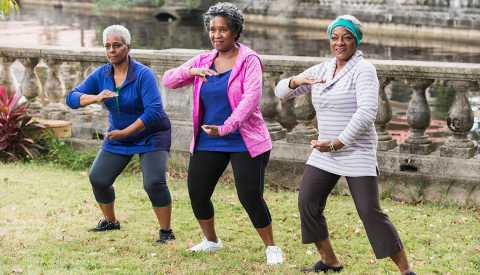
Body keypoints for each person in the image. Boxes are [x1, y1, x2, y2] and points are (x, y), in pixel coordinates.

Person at [275, 15, 416, 274]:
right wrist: (296, 81)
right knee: (308, 202)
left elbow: (366, 113)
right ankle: (329, 260)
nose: (339, 43)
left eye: (347, 37)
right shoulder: (323, 69)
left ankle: (406, 270)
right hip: (324, 151)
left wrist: (339, 143)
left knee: (369, 212)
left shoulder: (364, 70)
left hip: (355, 149)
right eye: (335, 37)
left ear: (356, 41)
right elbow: (280, 92)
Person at [162, 2, 283, 265]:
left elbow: (250, 100)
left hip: (244, 140)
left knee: (249, 196)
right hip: (208, 139)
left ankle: (271, 246)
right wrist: (190, 71)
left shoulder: (249, 60)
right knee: (197, 191)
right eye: (213, 30)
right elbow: (168, 80)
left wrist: (226, 127)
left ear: (236, 31)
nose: (217, 35)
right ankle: (211, 241)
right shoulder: (204, 59)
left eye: (223, 30)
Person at [65, 25, 175, 244]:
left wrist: (125, 132)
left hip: (151, 134)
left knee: (154, 182)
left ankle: (166, 232)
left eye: (117, 45)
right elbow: (71, 98)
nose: (112, 50)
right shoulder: (102, 74)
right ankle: (111, 222)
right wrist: (94, 98)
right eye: (107, 46)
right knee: (98, 178)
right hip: (119, 136)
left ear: (128, 47)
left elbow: (154, 111)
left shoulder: (143, 74)